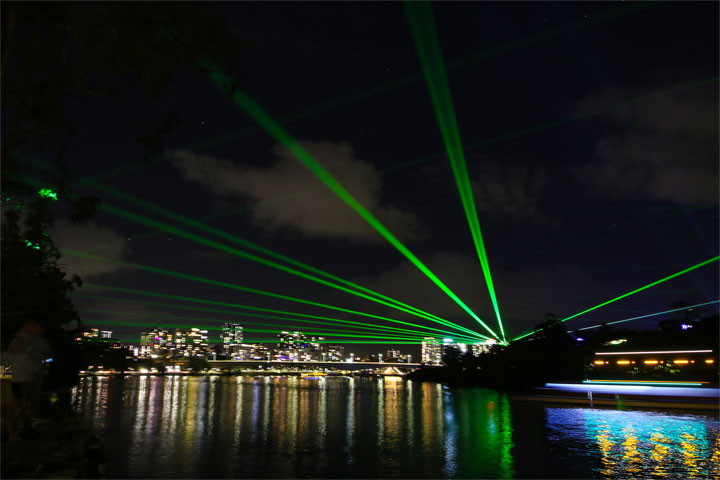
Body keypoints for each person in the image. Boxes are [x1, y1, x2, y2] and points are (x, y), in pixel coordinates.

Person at [6, 319, 53, 441]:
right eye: (36, 326)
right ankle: (14, 429)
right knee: (20, 402)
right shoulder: (20, 338)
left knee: (33, 402)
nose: (39, 329)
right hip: (22, 376)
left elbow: (50, 358)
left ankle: (26, 427)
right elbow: (8, 357)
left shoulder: (43, 341)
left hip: (37, 375)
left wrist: (45, 365)